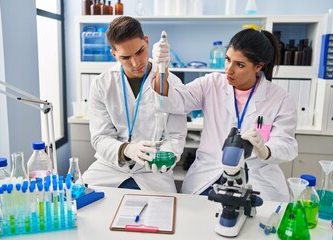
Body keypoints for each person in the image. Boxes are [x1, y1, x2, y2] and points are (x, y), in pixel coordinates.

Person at [152, 28, 298, 202]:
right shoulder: (212, 83)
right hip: (209, 175)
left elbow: (288, 145)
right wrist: (162, 68)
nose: (229, 69)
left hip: (255, 178)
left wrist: (265, 150)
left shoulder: (280, 99)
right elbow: (173, 102)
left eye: (240, 64)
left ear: (258, 66)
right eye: (228, 59)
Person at [82, 16, 187, 193]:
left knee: (164, 213)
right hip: (109, 168)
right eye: (125, 57)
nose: (136, 63)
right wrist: (128, 150)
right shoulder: (101, 84)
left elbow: (176, 135)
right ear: (114, 55)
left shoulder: (172, 83)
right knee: (78, 201)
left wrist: (166, 157)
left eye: (140, 52)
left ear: (146, 42)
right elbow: (100, 137)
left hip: (153, 170)